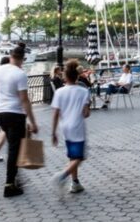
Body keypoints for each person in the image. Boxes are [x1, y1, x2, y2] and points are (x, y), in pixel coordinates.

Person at [0, 43, 38, 198]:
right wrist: (33, 121)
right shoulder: (20, 74)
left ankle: (15, 177)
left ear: (10, 56)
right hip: (15, 114)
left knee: (13, 147)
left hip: (0, 114)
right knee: (14, 150)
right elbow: (24, 100)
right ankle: (9, 185)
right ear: (23, 59)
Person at [50, 59, 91, 194]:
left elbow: (55, 113)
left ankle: (75, 182)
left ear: (65, 77)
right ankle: (62, 176)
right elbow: (86, 114)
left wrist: (53, 132)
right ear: (77, 76)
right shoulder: (83, 91)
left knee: (73, 156)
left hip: (65, 127)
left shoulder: (59, 92)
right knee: (79, 157)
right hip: (77, 127)